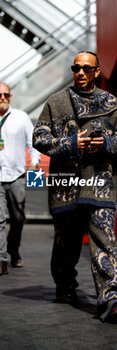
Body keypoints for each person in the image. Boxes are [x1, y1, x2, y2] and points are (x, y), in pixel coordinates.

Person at [32, 51, 117, 323]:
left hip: (100, 183)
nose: (81, 72)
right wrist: (73, 144)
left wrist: (105, 144)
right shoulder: (56, 102)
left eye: (87, 68)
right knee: (66, 244)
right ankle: (65, 284)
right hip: (67, 186)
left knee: (104, 241)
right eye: (76, 67)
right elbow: (39, 139)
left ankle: (113, 297)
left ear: (97, 72)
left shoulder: (113, 104)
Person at [0, 82, 40, 276]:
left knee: (18, 218)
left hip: (17, 176)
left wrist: (34, 163)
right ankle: (2, 259)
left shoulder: (21, 117)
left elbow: (33, 143)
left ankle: (13, 250)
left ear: (11, 96)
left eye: (5, 95)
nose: (2, 98)